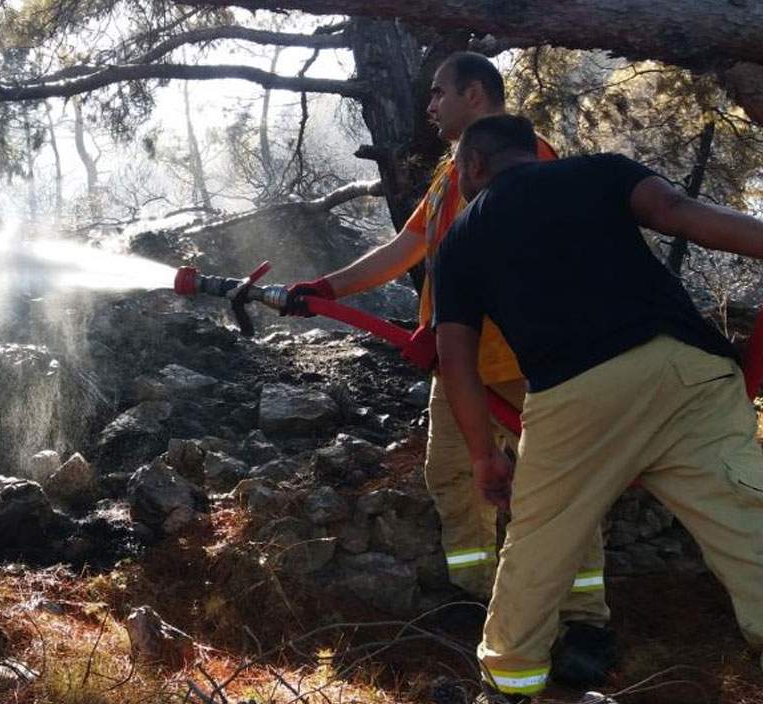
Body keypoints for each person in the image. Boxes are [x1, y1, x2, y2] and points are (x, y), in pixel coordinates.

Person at [287, 51, 611, 675]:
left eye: (439, 93)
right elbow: (407, 246)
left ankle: (584, 624)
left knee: (554, 490)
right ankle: (487, 598)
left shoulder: (527, 158)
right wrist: (326, 289)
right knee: (453, 479)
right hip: (459, 367)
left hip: (527, 362)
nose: (429, 106)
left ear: (475, 93)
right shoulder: (451, 174)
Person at [433, 113, 763, 703]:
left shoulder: (462, 237)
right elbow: (682, 215)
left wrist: (484, 457)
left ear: (475, 164)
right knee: (749, 523)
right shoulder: (600, 171)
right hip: (691, 372)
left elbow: (455, 358)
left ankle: (508, 687)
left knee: (539, 544)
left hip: (579, 392)